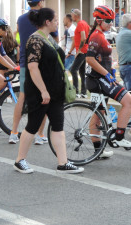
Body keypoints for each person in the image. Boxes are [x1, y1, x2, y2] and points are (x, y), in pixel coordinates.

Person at [13, 8, 84, 174]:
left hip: (55, 91)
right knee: (33, 125)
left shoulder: (49, 38)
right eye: (55, 20)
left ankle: (63, 163)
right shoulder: (35, 40)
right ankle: (19, 160)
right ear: (47, 22)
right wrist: (43, 91)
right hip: (40, 92)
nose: (57, 22)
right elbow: (32, 67)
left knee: (58, 126)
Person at [85, 5, 131, 154]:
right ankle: (119, 138)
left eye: (112, 20)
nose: (111, 23)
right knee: (129, 101)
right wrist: (107, 74)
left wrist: (110, 70)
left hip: (97, 79)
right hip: (99, 79)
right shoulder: (96, 36)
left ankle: (97, 151)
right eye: (108, 20)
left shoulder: (101, 35)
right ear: (99, 20)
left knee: (98, 115)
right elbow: (89, 59)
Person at [10, 0, 55, 145]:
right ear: (40, 2)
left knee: (22, 97)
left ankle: (13, 133)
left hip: (25, 62)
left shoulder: (21, 19)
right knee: (44, 97)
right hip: (42, 63)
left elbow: (17, 38)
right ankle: (40, 134)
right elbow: (54, 39)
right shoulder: (44, 16)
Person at [70, 8, 90, 98]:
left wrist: (79, 50)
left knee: (73, 70)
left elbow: (83, 38)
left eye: (72, 15)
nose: (71, 17)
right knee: (82, 72)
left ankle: (76, 92)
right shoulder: (84, 23)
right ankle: (84, 93)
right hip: (84, 51)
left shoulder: (81, 24)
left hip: (82, 51)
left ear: (76, 16)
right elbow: (86, 36)